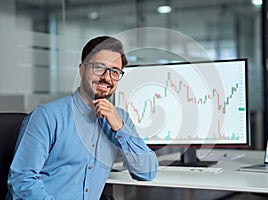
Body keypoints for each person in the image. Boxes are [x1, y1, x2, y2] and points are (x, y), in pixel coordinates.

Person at [6, 36, 158, 200]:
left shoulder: (120, 118)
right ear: (82, 69)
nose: (107, 78)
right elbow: (21, 181)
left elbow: (147, 172)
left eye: (114, 71)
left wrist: (119, 128)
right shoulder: (47, 116)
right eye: (99, 68)